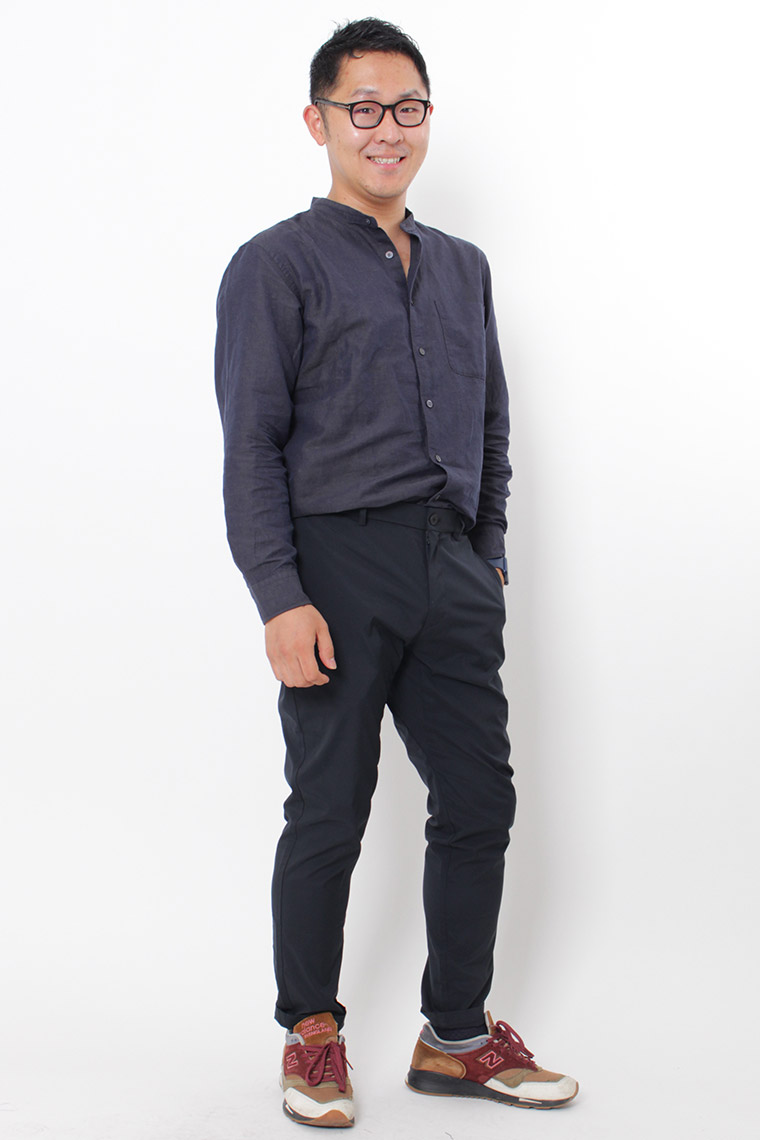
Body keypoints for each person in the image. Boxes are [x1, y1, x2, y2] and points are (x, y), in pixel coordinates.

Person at [215, 17, 578, 1129]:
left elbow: (491, 424)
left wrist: (487, 556)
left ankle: (455, 1036)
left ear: (427, 118)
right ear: (318, 121)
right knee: (330, 807)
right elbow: (250, 445)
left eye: (407, 107)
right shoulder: (275, 264)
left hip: (449, 562)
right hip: (334, 565)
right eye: (363, 108)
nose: (387, 129)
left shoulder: (463, 267)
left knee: (480, 800)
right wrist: (280, 595)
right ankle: (311, 1033)